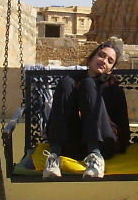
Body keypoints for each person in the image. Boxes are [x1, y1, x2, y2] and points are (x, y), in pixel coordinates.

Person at [44, 41, 130, 179]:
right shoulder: (72, 82)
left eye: (110, 61)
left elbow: (123, 127)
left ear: (111, 69)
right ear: (91, 58)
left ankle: (95, 157)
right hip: (73, 143)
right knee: (66, 82)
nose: (104, 61)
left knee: (89, 84)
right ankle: (54, 155)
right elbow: (58, 115)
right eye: (101, 55)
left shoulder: (113, 88)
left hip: (103, 143)